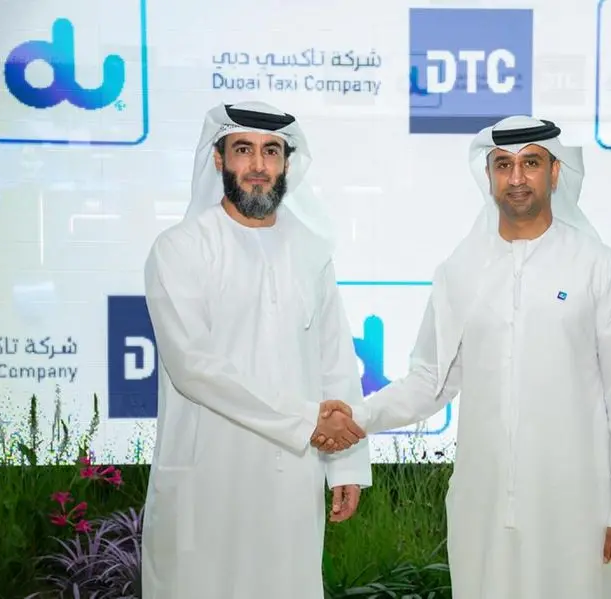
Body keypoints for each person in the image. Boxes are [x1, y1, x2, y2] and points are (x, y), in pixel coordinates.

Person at [313, 115, 611, 597]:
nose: (516, 178)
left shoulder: (597, 266)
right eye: (503, 165)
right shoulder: (460, 271)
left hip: (577, 505)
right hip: (485, 503)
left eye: (531, 163)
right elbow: (430, 379)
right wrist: (359, 417)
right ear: (489, 175)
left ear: (555, 172)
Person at [141, 101, 372, 599]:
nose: (259, 165)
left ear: (287, 163)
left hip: (292, 479)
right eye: (243, 150)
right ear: (219, 159)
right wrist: (306, 420)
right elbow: (193, 367)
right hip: (208, 477)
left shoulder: (311, 251)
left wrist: (347, 463)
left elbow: (335, 361)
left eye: (271, 152)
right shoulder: (180, 248)